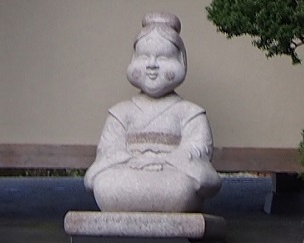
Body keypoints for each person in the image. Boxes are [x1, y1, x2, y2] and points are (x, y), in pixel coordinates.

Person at [85, 13, 222, 214]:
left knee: (181, 189)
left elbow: (198, 149)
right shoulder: (120, 112)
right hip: (130, 169)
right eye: (144, 57)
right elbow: (108, 149)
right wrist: (133, 160)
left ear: (181, 62)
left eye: (163, 57)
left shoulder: (190, 113)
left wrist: (162, 160)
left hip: (171, 172)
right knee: (105, 185)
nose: (151, 65)